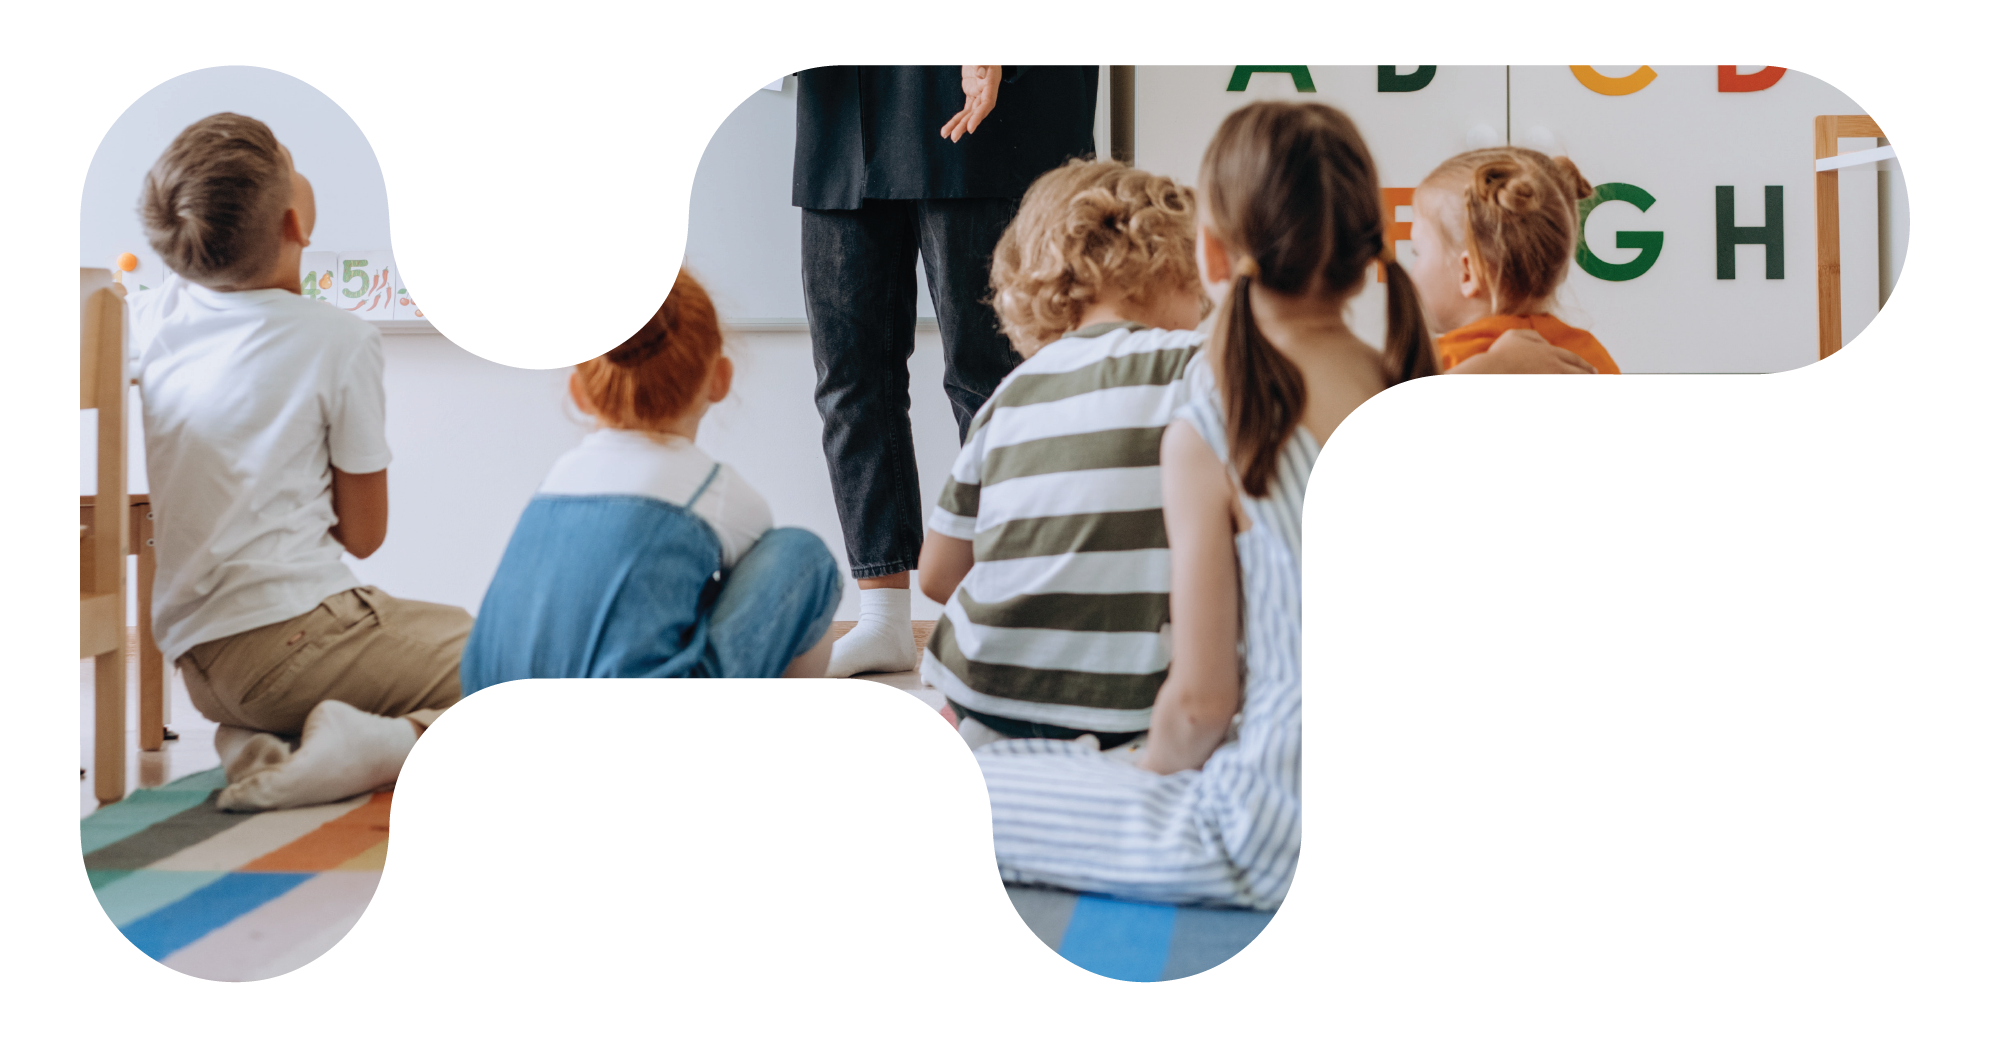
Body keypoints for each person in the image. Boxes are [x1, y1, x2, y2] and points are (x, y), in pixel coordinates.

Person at [972, 101, 1416, 907]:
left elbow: (1201, 704)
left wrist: (1142, 779)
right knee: (1080, 767)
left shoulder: (1219, 417)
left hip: (1279, 839)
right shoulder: (1416, 388)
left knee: (956, 790)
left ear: (1212, 252)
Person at [130, 113, 466, 814]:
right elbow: (365, 534)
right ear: (295, 221)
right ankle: (374, 747)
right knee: (509, 662)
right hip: (294, 640)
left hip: (203, 666)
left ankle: (258, 744)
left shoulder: (160, 320)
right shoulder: (338, 340)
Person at [914, 158, 1205, 829]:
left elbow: (936, 574)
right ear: (1171, 268)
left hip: (991, 701)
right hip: (1127, 716)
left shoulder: (1009, 397)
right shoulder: (1195, 367)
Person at [794, 65, 1100, 677]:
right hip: (846, 107)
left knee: (993, 375)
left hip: (982, 109)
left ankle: (1013, 607)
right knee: (849, 375)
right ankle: (882, 613)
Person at [460, 268, 841, 700]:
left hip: (493, 722)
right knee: (801, 555)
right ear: (720, 379)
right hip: (634, 744)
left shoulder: (556, 482)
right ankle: (773, 733)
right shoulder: (717, 493)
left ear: (579, 392)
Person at [1410, 147, 1628, 383]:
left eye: (1417, 253)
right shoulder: (1591, 355)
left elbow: (1375, 419)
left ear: (1469, 272)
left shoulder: (1438, 364)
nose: (1411, 271)